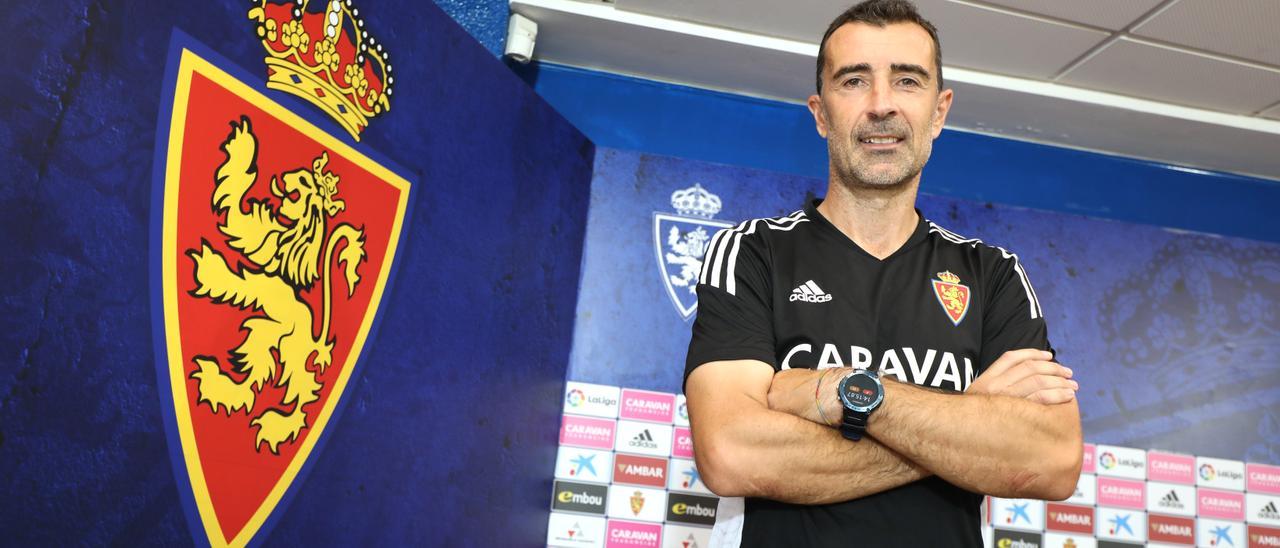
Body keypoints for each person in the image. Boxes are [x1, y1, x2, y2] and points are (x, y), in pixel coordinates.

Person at [682, 1, 1084, 546]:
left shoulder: (993, 275)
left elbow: (1052, 460)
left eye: (907, 81)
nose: (881, 105)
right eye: (853, 80)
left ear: (939, 112)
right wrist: (968, 420)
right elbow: (733, 454)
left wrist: (847, 393)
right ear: (821, 112)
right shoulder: (753, 253)